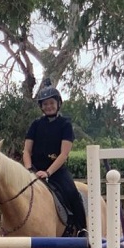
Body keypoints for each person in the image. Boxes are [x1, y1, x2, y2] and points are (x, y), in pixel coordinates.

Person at [22, 79, 87, 236]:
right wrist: (29, 169)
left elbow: (64, 154)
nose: (48, 106)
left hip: (56, 171)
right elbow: (26, 150)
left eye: (51, 103)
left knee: (72, 193)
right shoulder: (35, 125)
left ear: (58, 104)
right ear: (41, 107)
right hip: (34, 171)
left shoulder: (65, 124)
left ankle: (82, 229)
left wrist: (48, 173)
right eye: (45, 104)